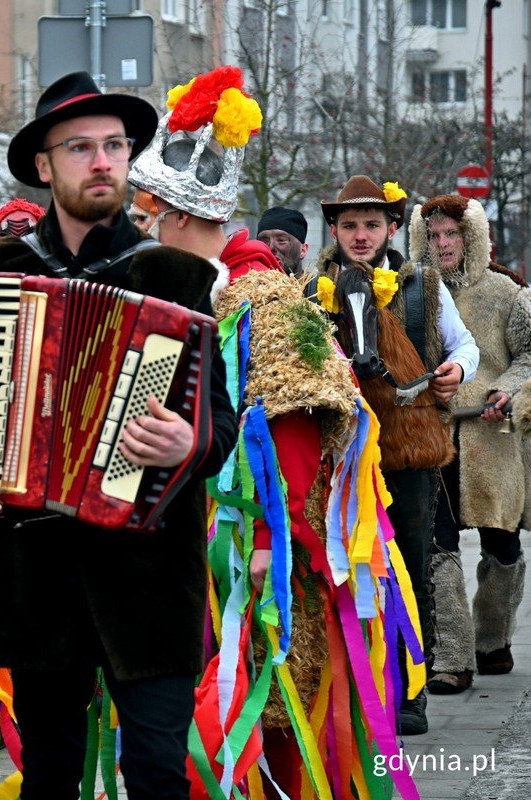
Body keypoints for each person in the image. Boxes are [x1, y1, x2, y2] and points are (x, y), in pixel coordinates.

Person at [0, 70, 238, 799]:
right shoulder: (0, 271)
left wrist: (190, 444)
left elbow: (221, 424)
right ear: (45, 167)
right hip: (32, 574)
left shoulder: (174, 276)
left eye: (115, 145)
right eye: (80, 147)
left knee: (155, 773)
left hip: (148, 576)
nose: (103, 161)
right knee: (46, 773)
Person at [132, 66, 415, 798]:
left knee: (274, 723)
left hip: (267, 565)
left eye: (144, 218)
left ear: (183, 219)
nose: (136, 233)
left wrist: (265, 545)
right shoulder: (185, 294)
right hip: (193, 552)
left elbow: (295, 428)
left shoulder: (261, 303)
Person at [309, 174, 480, 735]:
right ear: (334, 230)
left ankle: (411, 692)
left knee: (410, 565)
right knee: (340, 566)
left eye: (372, 225)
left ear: (390, 228)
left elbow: (465, 346)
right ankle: (352, 686)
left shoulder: (425, 285)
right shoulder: (310, 292)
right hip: (336, 450)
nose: (361, 235)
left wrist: (458, 370)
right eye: (350, 225)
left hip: (409, 447)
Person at [410, 194, 531, 693]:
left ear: (472, 237)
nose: (442, 244)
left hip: (491, 438)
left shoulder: (508, 294)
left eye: (451, 235)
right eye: (433, 235)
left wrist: (511, 389)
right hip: (432, 436)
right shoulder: (411, 292)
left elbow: (530, 356)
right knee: (438, 546)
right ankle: (453, 659)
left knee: (501, 544)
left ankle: (492, 640)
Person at [256, 205, 309, 276]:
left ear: (303, 250)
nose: (271, 247)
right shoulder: (241, 285)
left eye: (281, 240)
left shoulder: (320, 286)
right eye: (264, 242)